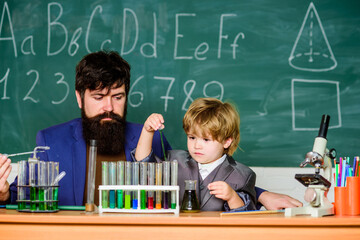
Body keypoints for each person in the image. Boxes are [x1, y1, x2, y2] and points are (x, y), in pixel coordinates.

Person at [0, 50, 302, 209]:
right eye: (98, 97)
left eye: (117, 97)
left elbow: (197, 175)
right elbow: (22, 196)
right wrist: (2, 194)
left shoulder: (152, 138)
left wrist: (259, 195)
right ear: (79, 97)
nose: (109, 107)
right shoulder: (50, 140)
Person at [133, 98, 257, 211]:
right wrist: (147, 131)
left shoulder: (243, 176)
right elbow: (143, 165)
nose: (197, 145)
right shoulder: (175, 160)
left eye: (206, 140)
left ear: (226, 141)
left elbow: (247, 217)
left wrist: (232, 197)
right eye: (192, 137)